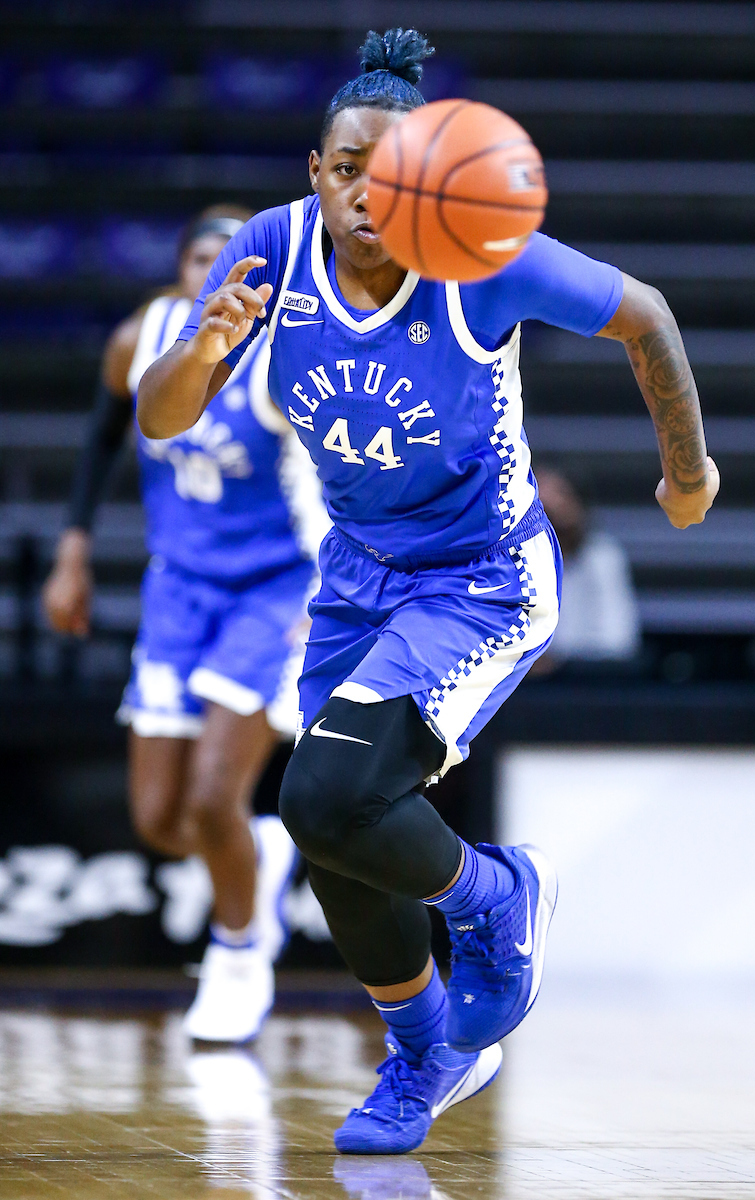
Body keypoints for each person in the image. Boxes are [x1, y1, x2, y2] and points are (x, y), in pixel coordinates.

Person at [137, 29, 720, 1153]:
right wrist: (203, 352)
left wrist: (686, 472)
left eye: (391, 172)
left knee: (323, 797)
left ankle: (495, 898)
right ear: (317, 173)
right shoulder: (268, 253)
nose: (368, 193)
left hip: (481, 579)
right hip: (358, 573)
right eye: (347, 170)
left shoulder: (480, 254)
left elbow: (643, 311)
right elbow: (163, 419)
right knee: (330, 829)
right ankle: (426, 1055)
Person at [43, 205, 329, 1043]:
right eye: (205, 258)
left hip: (273, 592)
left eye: (236, 259)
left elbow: (340, 485)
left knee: (211, 800)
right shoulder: (142, 338)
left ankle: (238, 957)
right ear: (181, 270)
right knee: (159, 819)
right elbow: (103, 434)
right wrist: (73, 547)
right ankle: (261, 857)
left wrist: (327, 599)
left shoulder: (288, 355)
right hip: (178, 589)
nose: (219, 272)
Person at [534, 467, 641, 666]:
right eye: (538, 502)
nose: (549, 506)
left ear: (579, 505)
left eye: (560, 496)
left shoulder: (602, 557)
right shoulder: (507, 562)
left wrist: (554, 659)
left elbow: (616, 639)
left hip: (587, 675)